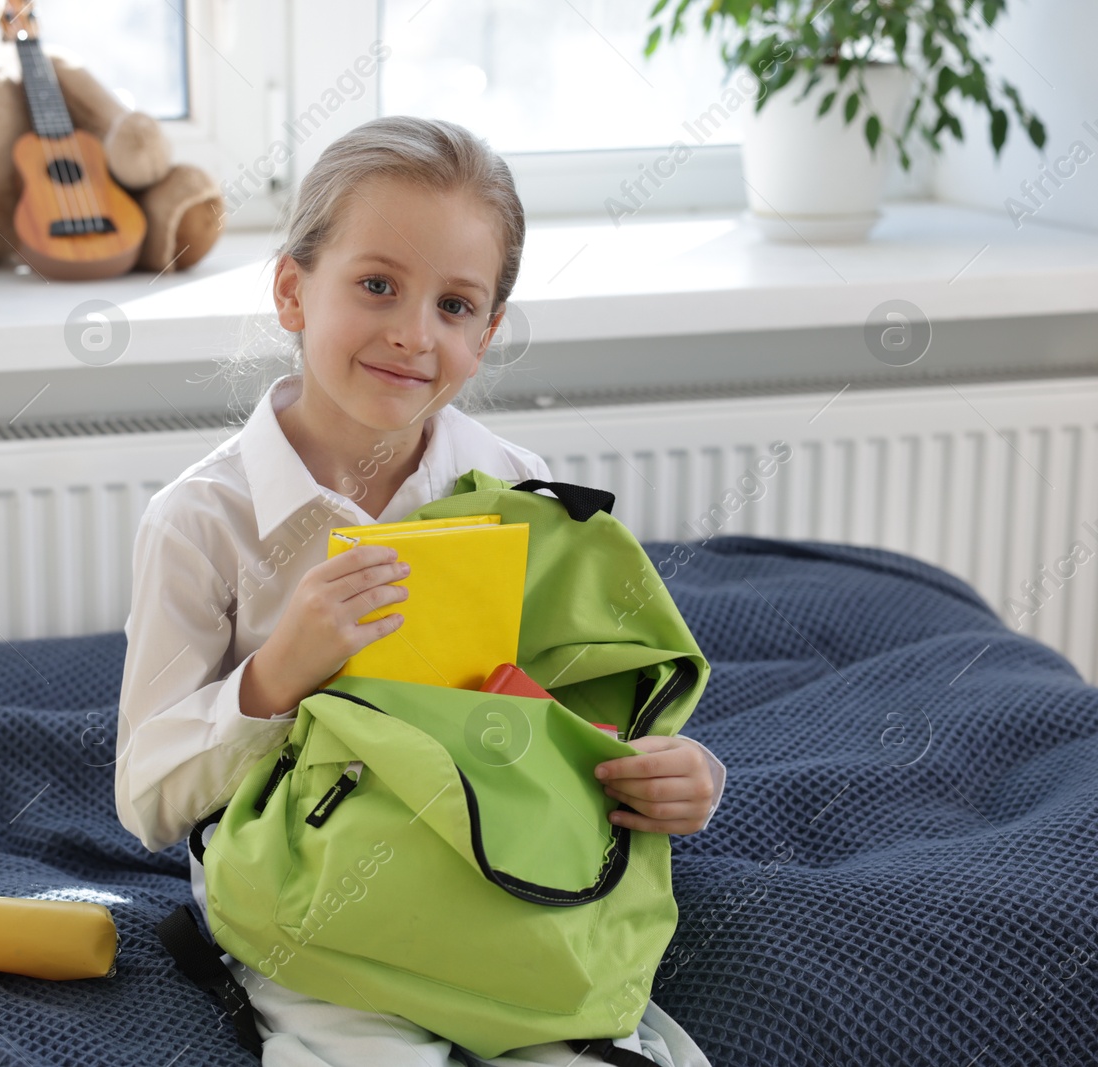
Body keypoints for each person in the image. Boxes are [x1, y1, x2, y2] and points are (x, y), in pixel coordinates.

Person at [115, 115, 725, 1067]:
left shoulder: (522, 494)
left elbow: (568, 717)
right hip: (307, 888)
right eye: (376, 285)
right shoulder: (201, 520)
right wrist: (280, 673)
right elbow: (148, 797)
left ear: (486, 335)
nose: (411, 333)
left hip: (488, 859)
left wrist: (667, 773)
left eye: (453, 306)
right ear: (292, 290)